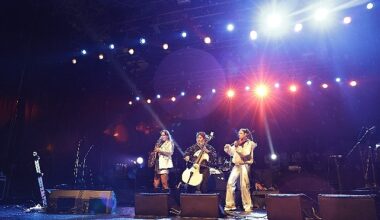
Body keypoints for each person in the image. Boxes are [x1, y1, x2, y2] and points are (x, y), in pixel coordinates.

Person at [223, 128, 257, 212]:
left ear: (246, 134)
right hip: (237, 165)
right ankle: (230, 205)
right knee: (230, 183)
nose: (239, 134)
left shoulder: (249, 143)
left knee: (244, 186)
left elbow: (245, 154)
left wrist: (237, 146)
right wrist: (228, 148)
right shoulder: (238, 142)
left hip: (244, 165)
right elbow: (232, 153)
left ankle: (247, 206)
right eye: (239, 133)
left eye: (241, 133)